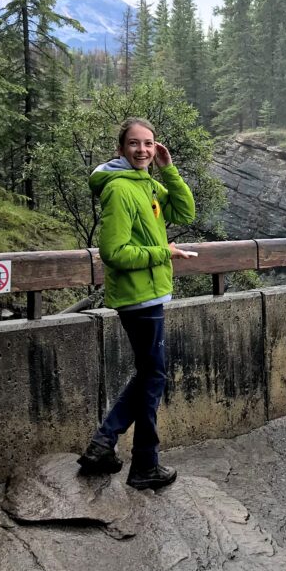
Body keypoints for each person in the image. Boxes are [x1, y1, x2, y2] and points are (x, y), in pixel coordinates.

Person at [77, 117, 196, 490]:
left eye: (148, 143)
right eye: (134, 144)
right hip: (137, 296)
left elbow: (185, 212)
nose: (142, 150)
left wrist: (170, 169)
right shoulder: (119, 189)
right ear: (120, 149)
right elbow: (114, 252)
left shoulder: (146, 185)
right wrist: (164, 251)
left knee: (149, 375)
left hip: (150, 293)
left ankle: (104, 445)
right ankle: (143, 462)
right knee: (153, 377)